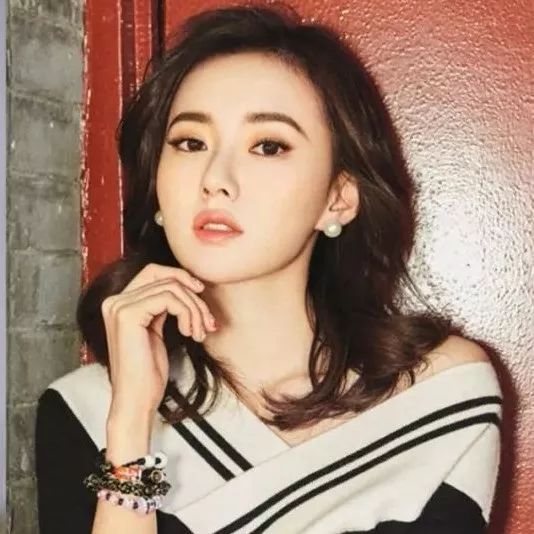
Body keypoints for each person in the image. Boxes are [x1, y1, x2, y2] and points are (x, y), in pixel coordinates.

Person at [34, 4, 503, 534]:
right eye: (190, 143)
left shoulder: (438, 393)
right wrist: (130, 426)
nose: (215, 178)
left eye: (268, 146)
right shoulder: (88, 409)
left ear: (338, 198)